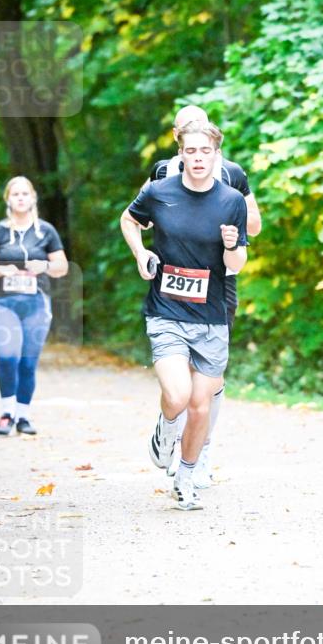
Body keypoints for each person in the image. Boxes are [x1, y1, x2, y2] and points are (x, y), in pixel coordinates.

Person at [121, 120, 247, 510]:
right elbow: (128, 219)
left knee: (200, 406)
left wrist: (230, 246)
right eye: (190, 151)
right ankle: (165, 430)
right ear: (180, 153)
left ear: (215, 154)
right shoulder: (159, 192)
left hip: (210, 317)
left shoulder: (231, 200)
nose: (197, 158)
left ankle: (186, 477)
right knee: (176, 396)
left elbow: (237, 263)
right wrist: (141, 253)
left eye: (204, 151)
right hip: (167, 312)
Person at [148, 104, 261, 485]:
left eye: (200, 132)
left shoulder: (231, 174)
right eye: (184, 132)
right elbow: (142, 215)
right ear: (178, 140)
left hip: (219, 279)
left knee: (208, 376)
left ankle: (202, 450)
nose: (192, 140)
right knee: (179, 377)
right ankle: (172, 432)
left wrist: (231, 209)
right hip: (174, 278)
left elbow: (254, 227)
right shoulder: (163, 172)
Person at [0, 176, 69, 435]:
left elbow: (61, 267)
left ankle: (24, 416)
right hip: (4, 303)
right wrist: (1, 270)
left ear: (33, 198)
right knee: (8, 357)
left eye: (24, 193)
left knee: (28, 362)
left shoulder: (46, 231)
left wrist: (45, 266)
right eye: (15, 194)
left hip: (36, 303)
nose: (20, 198)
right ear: (8, 199)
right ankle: (6, 413)